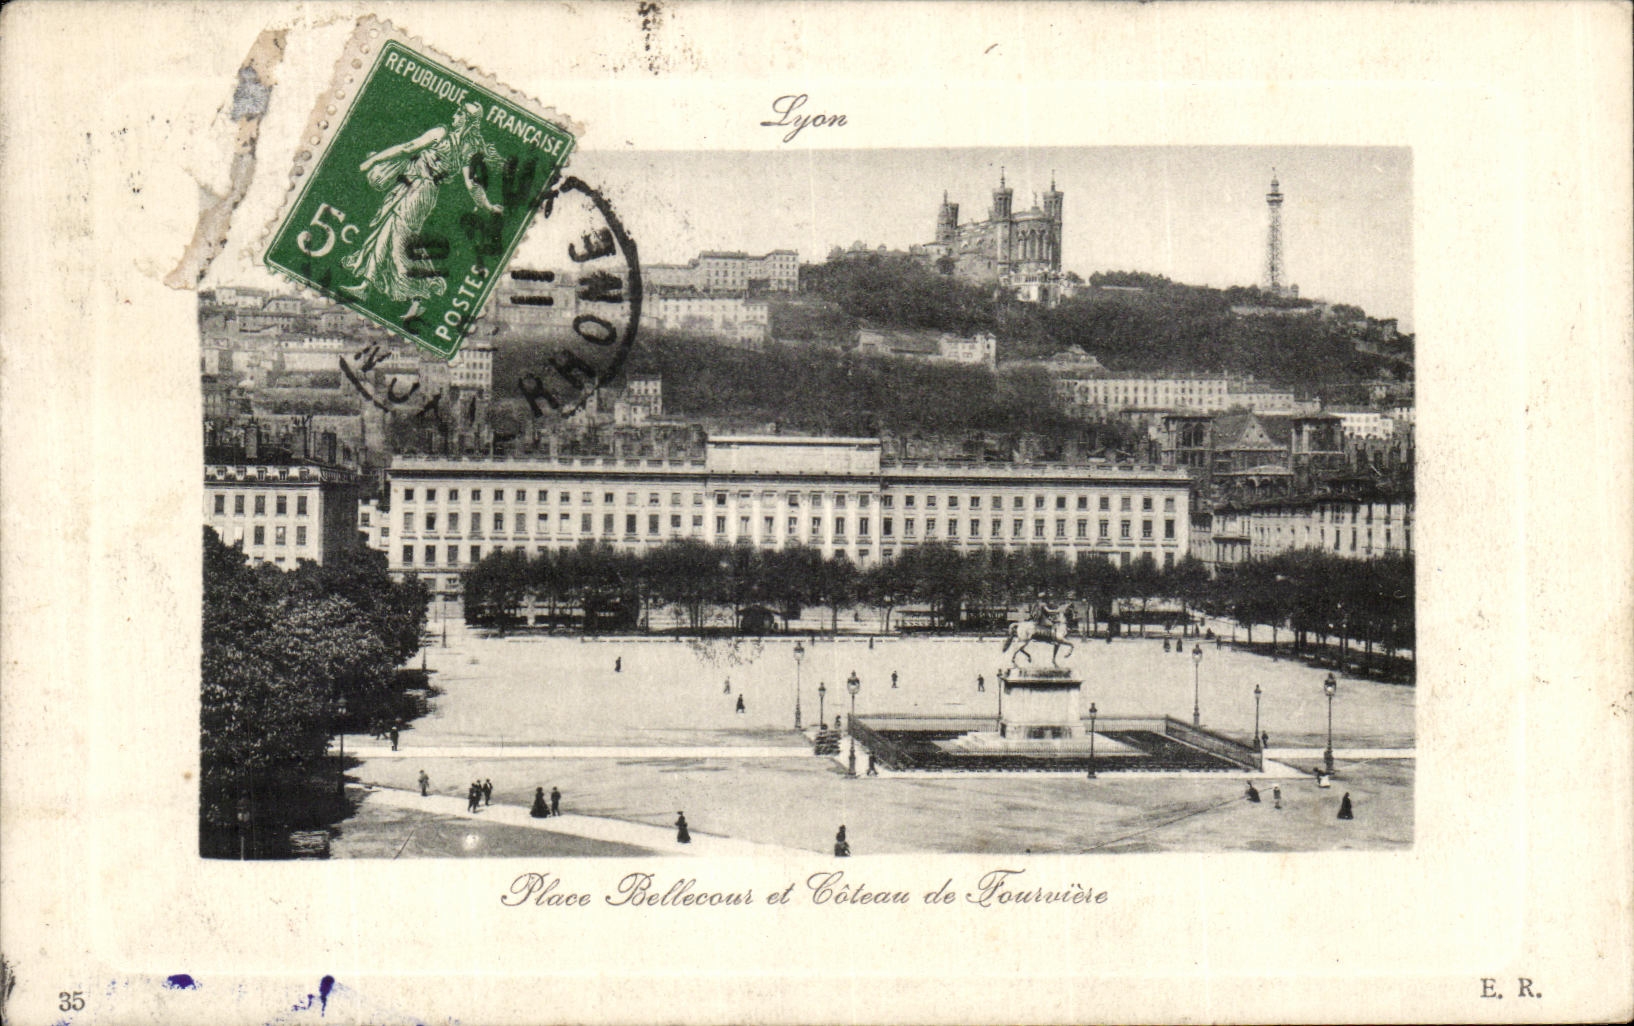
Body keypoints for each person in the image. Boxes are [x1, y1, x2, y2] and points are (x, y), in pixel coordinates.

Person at [339, 102, 506, 320]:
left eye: (459, 113)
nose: (454, 115)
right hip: (414, 187)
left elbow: (408, 148)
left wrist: (374, 159)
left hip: (419, 192)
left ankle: (419, 298)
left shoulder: (444, 135)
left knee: (401, 242)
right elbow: (471, 183)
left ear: (466, 119)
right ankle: (366, 284)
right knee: (386, 231)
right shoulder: (468, 148)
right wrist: (487, 205)